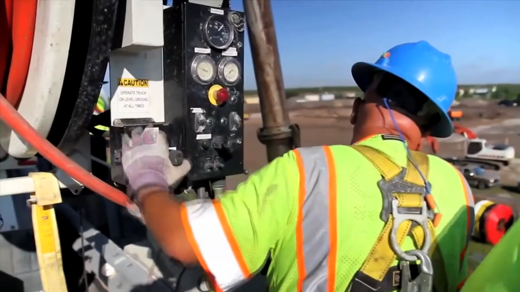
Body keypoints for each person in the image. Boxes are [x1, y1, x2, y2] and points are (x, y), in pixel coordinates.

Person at [121, 41, 475, 292]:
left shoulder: (308, 170)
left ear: (357, 107)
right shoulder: (459, 187)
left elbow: (182, 244)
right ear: (431, 128)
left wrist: (147, 179)